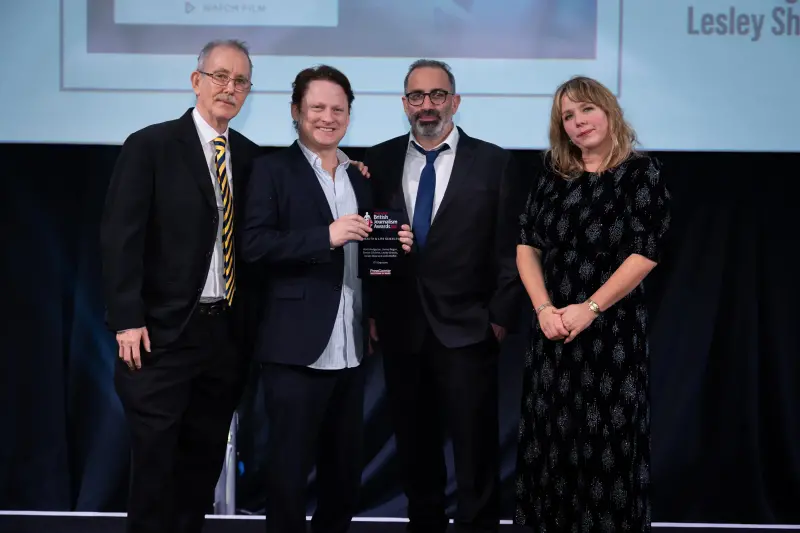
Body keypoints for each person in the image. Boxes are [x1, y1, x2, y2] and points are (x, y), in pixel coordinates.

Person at [240, 65, 414, 533]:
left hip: (352, 347)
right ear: (296, 112)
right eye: (317, 107)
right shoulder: (271, 170)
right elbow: (253, 246)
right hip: (294, 349)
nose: (327, 117)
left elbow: (370, 256)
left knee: (343, 475)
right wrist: (326, 236)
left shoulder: (361, 177)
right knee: (288, 474)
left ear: (350, 115)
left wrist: (394, 248)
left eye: (338, 108)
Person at [99, 40, 261, 533]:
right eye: (220, 76)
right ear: (196, 81)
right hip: (160, 339)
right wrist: (127, 318)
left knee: (200, 469)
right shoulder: (150, 145)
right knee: (154, 472)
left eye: (240, 82)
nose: (229, 89)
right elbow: (119, 237)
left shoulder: (252, 157)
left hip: (224, 338)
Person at [362, 59, 523, 532]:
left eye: (437, 95)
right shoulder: (380, 158)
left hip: (470, 329)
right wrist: (374, 311)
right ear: (404, 103)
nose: (426, 105)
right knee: (415, 449)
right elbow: (372, 244)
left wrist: (498, 317)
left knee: (475, 453)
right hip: (402, 330)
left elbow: (512, 249)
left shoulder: (495, 162)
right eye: (416, 96)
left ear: (455, 101)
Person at [514, 76, 671, 532]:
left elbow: (645, 253)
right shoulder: (552, 173)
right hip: (553, 333)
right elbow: (527, 245)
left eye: (586, 110)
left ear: (608, 111)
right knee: (550, 449)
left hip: (610, 337)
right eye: (567, 115)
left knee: (609, 453)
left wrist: (590, 309)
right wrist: (545, 311)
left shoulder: (642, 173)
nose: (578, 122)